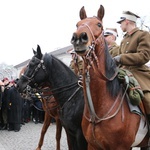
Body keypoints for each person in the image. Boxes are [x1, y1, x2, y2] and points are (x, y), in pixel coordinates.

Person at [114, 11, 150, 122]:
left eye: (121, 22)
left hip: (138, 72)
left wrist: (121, 58)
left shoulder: (142, 34)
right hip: (123, 72)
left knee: (148, 100)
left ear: (127, 21)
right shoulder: (124, 39)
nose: (120, 25)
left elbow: (144, 55)